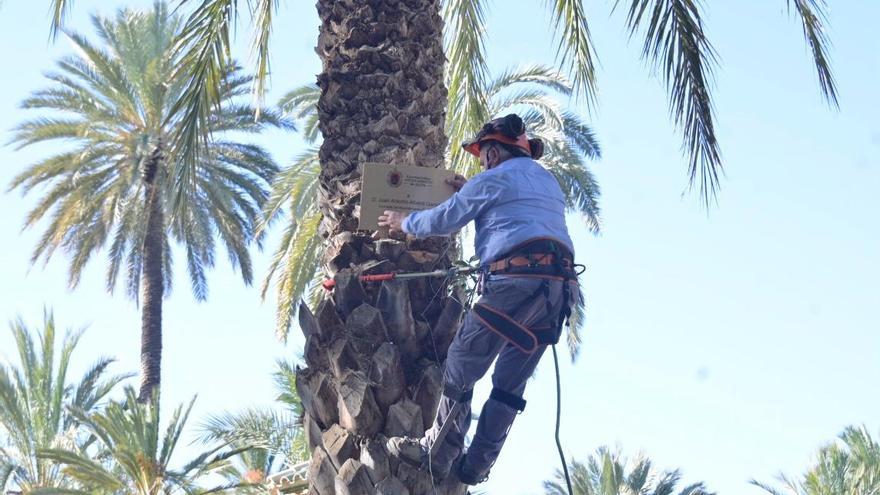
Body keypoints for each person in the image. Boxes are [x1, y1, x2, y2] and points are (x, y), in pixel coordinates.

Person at [378, 113, 579, 485]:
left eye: (484, 153)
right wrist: (472, 186)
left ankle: (436, 449)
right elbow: (518, 212)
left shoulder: (493, 178)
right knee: (508, 385)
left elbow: (448, 219)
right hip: (559, 292)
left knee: (461, 364)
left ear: (494, 152)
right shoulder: (545, 180)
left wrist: (404, 221)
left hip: (514, 284)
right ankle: (477, 465)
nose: (482, 160)